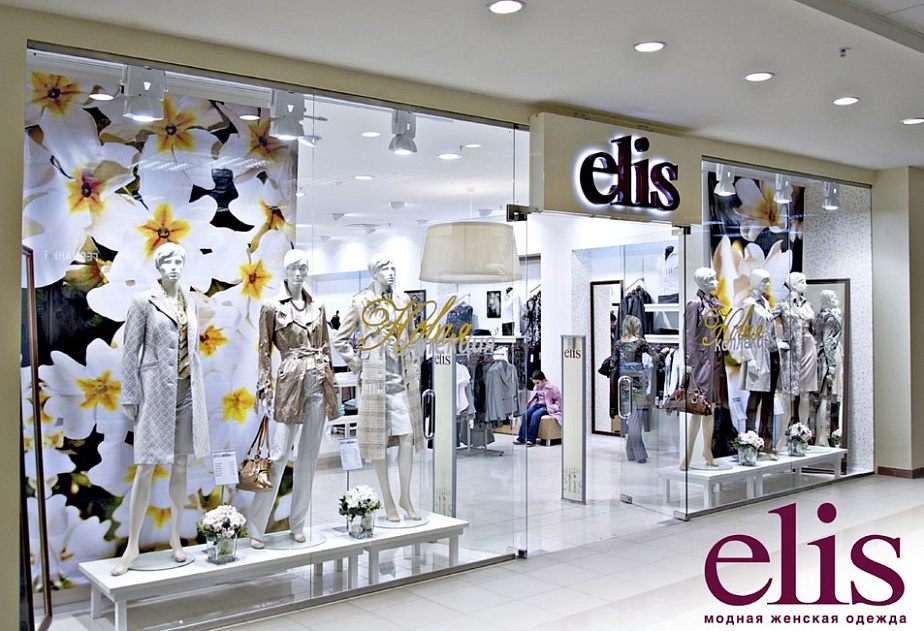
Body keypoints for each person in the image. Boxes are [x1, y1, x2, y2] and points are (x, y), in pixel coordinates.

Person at [112, 243, 209, 575]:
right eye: (167, 260)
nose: (173, 266)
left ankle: (175, 538)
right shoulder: (143, 301)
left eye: (178, 260)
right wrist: (130, 394)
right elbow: (130, 351)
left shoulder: (190, 301)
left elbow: (192, 348)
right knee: (146, 465)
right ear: (157, 265)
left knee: (181, 463)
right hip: (154, 391)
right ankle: (132, 545)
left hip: (187, 389)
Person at [248, 249, 338, 549]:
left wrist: (331, 384)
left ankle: (298, 523)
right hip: (289, 384)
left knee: (308, 459)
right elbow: (264, 349)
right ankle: (256, 527)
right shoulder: (272, 307)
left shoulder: (318, 306)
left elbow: (325, 347)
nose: (299, 273)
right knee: (278, 458)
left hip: (318, 382)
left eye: (303, 268)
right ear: (285, 272)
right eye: (293, 268)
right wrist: (264, 387)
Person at [333, 254, 425, 522]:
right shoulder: (361, 301)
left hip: (401, 380)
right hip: (375, 381)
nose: (391, 272)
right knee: (378, 443)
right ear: (374, 273)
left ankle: (405, 496)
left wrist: (413, 362)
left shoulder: (403, 300)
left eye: (393, 267)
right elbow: (340, 339)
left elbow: (412, 336)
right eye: (385, 268)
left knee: (407, 437)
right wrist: (357, 364)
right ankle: (388, 501)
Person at [680, 267, 728, 470]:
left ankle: (707, 450)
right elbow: (689, 338)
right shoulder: (695, 305)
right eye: (712, 279)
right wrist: (690, 366)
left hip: (715, 360)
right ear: (703, 282)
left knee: (711, 408)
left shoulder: (713, 303)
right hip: (702, 364)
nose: (716, 282)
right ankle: (687, 455)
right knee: (698, 410)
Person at [740, 269, 782, 458]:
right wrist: (750, 359)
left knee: (769, 399)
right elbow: (743, 334)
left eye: (768, 282)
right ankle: (749, 442)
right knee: (755, 397)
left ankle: (767, 442)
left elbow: (769, 330)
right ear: (756, 282)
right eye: (764, 282)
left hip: (771, 355)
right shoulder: (749, 304)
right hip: (757, 356)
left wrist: (777, 344)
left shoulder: (764, 303)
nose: (767, 285)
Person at [609, 315, 661, 463]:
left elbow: (612, 362)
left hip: (624, 383)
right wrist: (661, 356)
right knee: (635, 416)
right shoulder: (640, 342)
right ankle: (639, 454)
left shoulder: (618, 344)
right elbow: (655, 356)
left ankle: (631, 452)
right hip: (638, 382)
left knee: (632, 417)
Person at [775, 271, 818, 450]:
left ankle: (803, 435)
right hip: (791, 351)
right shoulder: (783, 305)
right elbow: (765, 322)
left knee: (805, 392)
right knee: (787, 393)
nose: (805, 284)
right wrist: (777, 341)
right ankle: (782, 437)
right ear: (792, 284)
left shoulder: (808, 305)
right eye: (801, 281)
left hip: (808, 349)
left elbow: (815, 327)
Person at [809, 289, 843, 447]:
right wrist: (832, 365)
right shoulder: (829, 318)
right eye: (833, 297)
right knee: (824, 396)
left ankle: (820, 435)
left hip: (820, 356)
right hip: (827, 358)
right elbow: (828, 341)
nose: (836, 299)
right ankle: (821, 436)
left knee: (822, 397)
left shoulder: (819, 317)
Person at [513, 370, 561, 446]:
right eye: (534, 383)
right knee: (525, 414)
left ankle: (531, 439)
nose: (536, 385)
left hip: (546, 406)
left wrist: (555, 406)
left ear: (543, 380)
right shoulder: (536, 387)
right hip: (537, 405)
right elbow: (533, 398)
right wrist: (528, 404)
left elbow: (558, 399)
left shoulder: (551, 388)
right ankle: (521, 438)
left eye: (538, 383)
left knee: (535, 415)